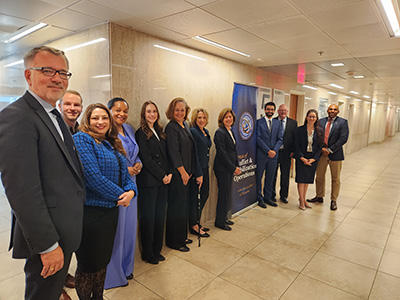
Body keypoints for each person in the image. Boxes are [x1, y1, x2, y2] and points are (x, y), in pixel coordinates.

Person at [0, 46, 85, 300]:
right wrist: (48, 246)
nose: (57, 78)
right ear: (29, 76)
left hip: (63, 228)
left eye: (63, 72)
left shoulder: (52, 115)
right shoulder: (17, 117)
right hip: (48, 237)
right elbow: (22, 191)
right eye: (47, 70)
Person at [73, 103, 137, 300]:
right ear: (87, 120)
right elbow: (93, 178)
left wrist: (131, 192)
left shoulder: (111, 142)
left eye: (104, 118)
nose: (100, 122)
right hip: (91, 214)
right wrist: (121, 196)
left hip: (110, 212)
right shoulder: (82, 139)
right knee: (88, 266)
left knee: (102, 263)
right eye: (95, 118)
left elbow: (124, 174)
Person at [104, 97, 141, 289]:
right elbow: (103, 161)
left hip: (132, 186)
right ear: (109, 110)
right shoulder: (104, 132)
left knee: (128, 229)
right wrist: (125, 170)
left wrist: (138, 164)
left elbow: (135, 152)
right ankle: (113, 274)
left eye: (125, 111)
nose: (122, 114)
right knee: (117, 230)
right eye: (117, 110)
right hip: (116, 185)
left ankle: (127, 268)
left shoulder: (129, 129)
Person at [136, 101, 172, 264]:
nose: (152, 114)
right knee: (148, 218)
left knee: (159, 216)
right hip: (149, 182)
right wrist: (162, 175)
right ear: (144, 114)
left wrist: (169, 173)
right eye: (149, 111)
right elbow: (147, 159)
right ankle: (148, 253)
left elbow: (167, 154)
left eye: (154, 111)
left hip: (163, 181)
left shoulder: (159, 131)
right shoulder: (141, 133)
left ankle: (157, 249)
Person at [165, 97, 201, 252]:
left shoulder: (185, 125)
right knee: (176, 208)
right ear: (172, 111)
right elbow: (174, 152)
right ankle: (175, 241)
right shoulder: (171, 127)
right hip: (178, 174)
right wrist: (183, 172)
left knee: (183, 206)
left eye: (182, 109)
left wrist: (191, 172)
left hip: (187, 174)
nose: (180, 112)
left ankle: (182, 236)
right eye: (177, 109)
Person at [58, 89, 84, 299]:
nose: (72, 108)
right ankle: (57, 289)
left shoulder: (79, 131)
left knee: (68, 244)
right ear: (60, 106)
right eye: (68, 104)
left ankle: (63, 275)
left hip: (76, 198)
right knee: (57, 245)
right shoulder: (56, 130)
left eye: (76, 105)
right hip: (60, 199)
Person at [307, 104, 349, 210]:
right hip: (321, 154)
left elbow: (343, 138)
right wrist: (321, 148)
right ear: (327, 110)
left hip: (335, 154)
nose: (332, 111)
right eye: (331, 109)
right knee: (319, 176)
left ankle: (333, 200)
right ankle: (319, 196)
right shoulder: (320, 121)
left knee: (335, 179)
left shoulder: (343, 122)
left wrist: (330, 150)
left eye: (335, 109)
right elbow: (317, 136)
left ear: (338, 111)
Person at [213, 108, 241, 231]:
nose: (228, 119)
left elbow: (233, 151)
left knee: (227, 194)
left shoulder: (230, 131)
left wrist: (237, 165)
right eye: (226, 117)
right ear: (222, 119)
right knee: (223, 195)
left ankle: (224, 217)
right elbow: (222, 153)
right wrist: (233, 167)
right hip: (222, 168)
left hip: (229, 168)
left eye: (230, 117)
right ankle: (219, 222)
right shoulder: (220, 132)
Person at [189, 108, 212, 237]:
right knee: (195, 198)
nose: (202, 120)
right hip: (198, 170)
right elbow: (195, 154)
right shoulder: (193, 132)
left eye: (203, 117)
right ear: (195, 119)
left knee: (205, 194)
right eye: (199, 118)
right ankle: (193, 225)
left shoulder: (205, 131)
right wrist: (198, 174)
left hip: (205, 167)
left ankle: (196, 221)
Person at [256, 102, 283, 208]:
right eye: (268, 109)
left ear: (275, 110)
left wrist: (274, 151)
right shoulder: (259, 122)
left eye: (272, 109)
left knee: (270, 177)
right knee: (259, 177)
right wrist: (268, 151)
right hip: (262, 155)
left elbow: (280, 139)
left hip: (274, 156)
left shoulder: (278, 123)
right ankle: (259, 198)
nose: (270, 111)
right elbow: (258, 138)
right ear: (264, 110)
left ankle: (268, 198)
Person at [294, 109, 322, 210]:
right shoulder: (299, 129)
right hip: (301, 157)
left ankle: (303, 198)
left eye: (314, 117)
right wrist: (302, 158)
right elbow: (296, 145)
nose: (311, 118)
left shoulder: (319, 131)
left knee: (307, 180)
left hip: (312, 158)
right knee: (301, 180)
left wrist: (314, 159)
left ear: (316, 118)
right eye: (310, 116)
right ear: (306, 117)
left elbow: (320, 147)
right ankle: (301, 200)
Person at [272, 104, 297, 204]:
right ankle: (271, 195)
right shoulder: (273, 121)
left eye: (285, 110)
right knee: (272, 175)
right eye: (281, 110)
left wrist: (293, 151)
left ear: (287, 112)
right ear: (278, 111)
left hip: (287, 153)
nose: (283, 112)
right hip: (274, 152)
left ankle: (284, 196)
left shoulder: (293, 123)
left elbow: (295, 139)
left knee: (285, 175)